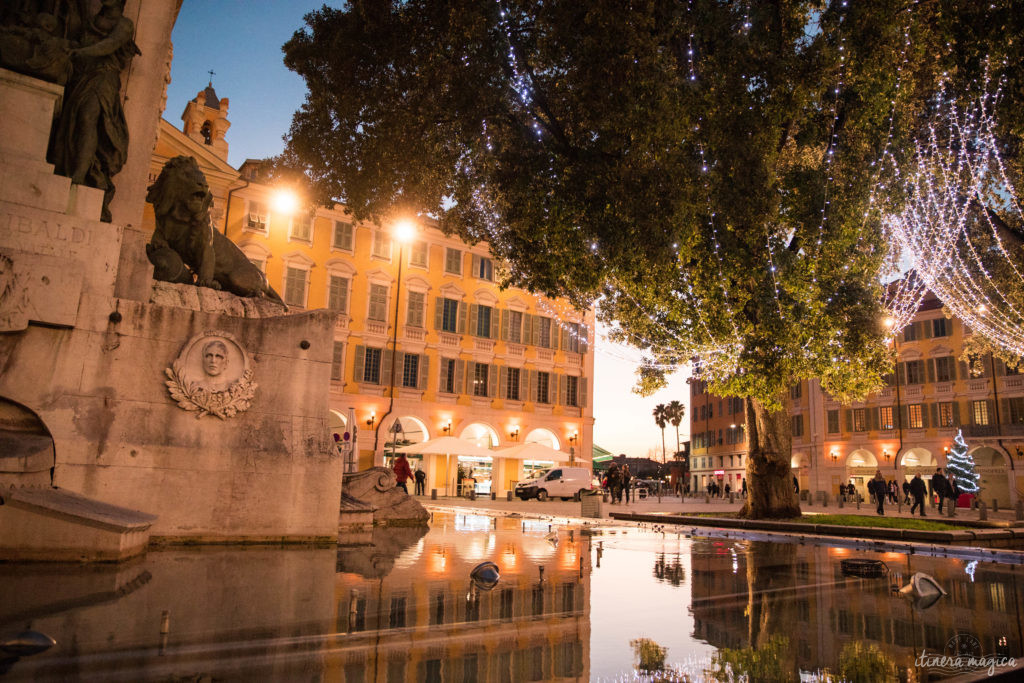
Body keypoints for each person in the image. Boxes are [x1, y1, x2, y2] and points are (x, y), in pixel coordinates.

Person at [51, 0, 140, 222]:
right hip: (82, 76)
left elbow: (110, 44)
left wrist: (79, 51)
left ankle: (79, 177)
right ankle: (72, 170)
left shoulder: (124, 24)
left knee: (88, 118)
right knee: (71, 122)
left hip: (103, 77)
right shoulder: (92, 20)